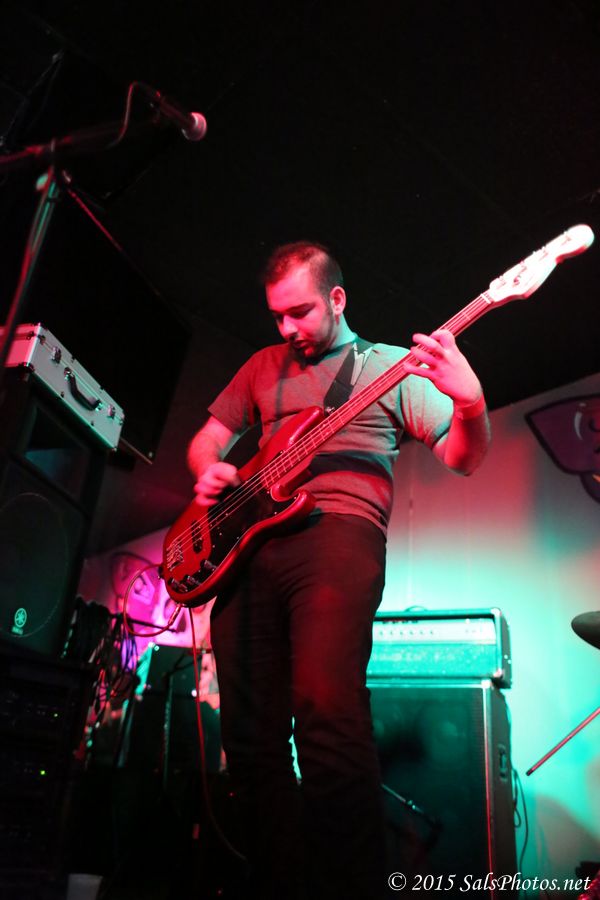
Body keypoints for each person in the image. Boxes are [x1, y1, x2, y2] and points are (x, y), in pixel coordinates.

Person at [187, 241, 491, 900]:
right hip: (246, 549)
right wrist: (208, 470)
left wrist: (470, 404)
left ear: (337, 298)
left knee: (326, 710)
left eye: (298, 312)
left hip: (337, 534)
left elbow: (463, 458)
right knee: (249, 735)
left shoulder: (389, 367)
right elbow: (208, 439)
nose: (286, 329)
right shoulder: (262, 367)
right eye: (276, 316)